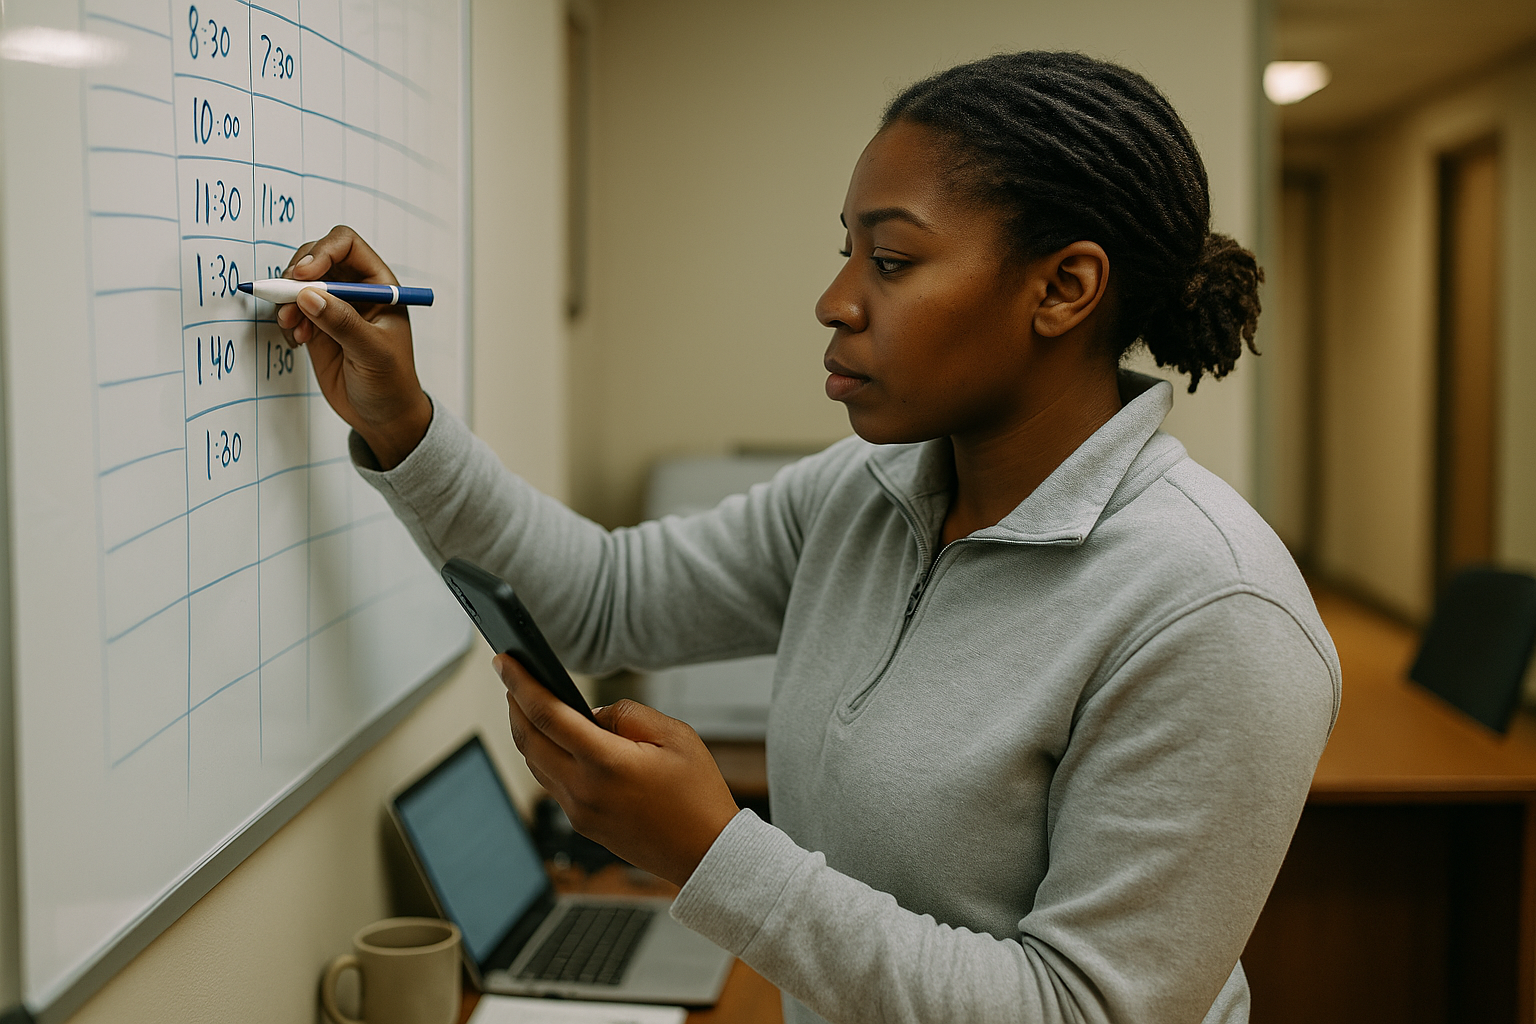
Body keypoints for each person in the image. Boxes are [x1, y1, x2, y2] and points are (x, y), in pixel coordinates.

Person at [279, 51, 1338, 1024]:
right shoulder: (865, 489)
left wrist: (711, 851)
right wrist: (398, 418)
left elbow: (1081, 1010)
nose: (835, 301)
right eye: (847, 253)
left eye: (891, 259)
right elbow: (600, 599)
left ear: (1064, 288)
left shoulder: (1217, 611)